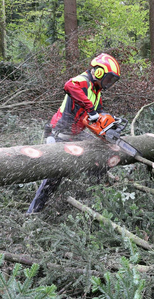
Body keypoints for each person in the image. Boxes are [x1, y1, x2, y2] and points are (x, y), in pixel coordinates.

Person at [26, 53, 121, 214]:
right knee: (54, 176)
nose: (108, 83)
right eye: (108, 79)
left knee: (98, 157)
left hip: (76, 134)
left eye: (111, 81)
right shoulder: (82, 81)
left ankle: (94, 198)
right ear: (99, 72)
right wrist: (90, 109)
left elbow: (98, 113)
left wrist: (108, 123)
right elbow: (69, 86)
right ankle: (32, 213)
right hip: (59, 133)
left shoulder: (96, 92)